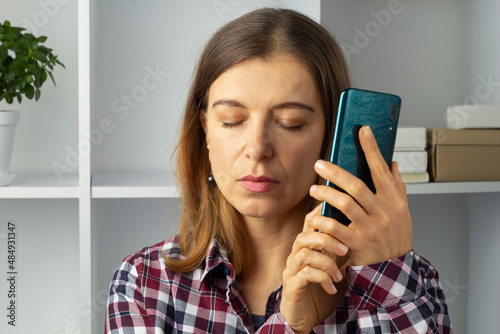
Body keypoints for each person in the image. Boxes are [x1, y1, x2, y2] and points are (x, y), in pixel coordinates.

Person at [105, 8, 452, 334]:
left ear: (330, 137)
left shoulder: (408, 284)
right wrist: (289, 324)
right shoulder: (144, 283)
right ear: (205, 132)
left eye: (291, 123)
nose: (257, 148)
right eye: (232, 121)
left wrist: (384, 275)